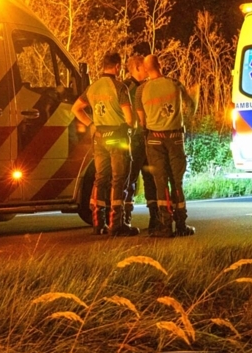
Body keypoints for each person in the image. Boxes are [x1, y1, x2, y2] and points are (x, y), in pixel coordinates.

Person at [71, 51, 138, 236]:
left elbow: (75, 108)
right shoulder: (120, 87)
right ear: (117, 66)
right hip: (117, 137)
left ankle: (97, 223)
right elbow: (130, 118)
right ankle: (116, 224)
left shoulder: (92, 88)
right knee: (118, 180)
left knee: (100, 179)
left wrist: (91, 124)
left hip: (99, 137)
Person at [135, 54, 196, 237]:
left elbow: (141, 120)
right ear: (159, 65)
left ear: (146, 69)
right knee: (176, 181)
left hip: (154, 139)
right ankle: (181, 224)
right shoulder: (175, 84)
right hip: (175, 137)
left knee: (160, 182)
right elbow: (190, 105)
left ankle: (165, 225)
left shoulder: (141, 90)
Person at [123, 54, 159, 233]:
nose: (147, 69)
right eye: (144, 67)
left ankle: (155, 217)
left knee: (150, 177)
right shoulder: (128, 88)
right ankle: (125, 218)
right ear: (137, 68)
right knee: (130, 178)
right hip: (135, 140)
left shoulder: (144, 87)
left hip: (145, 138)